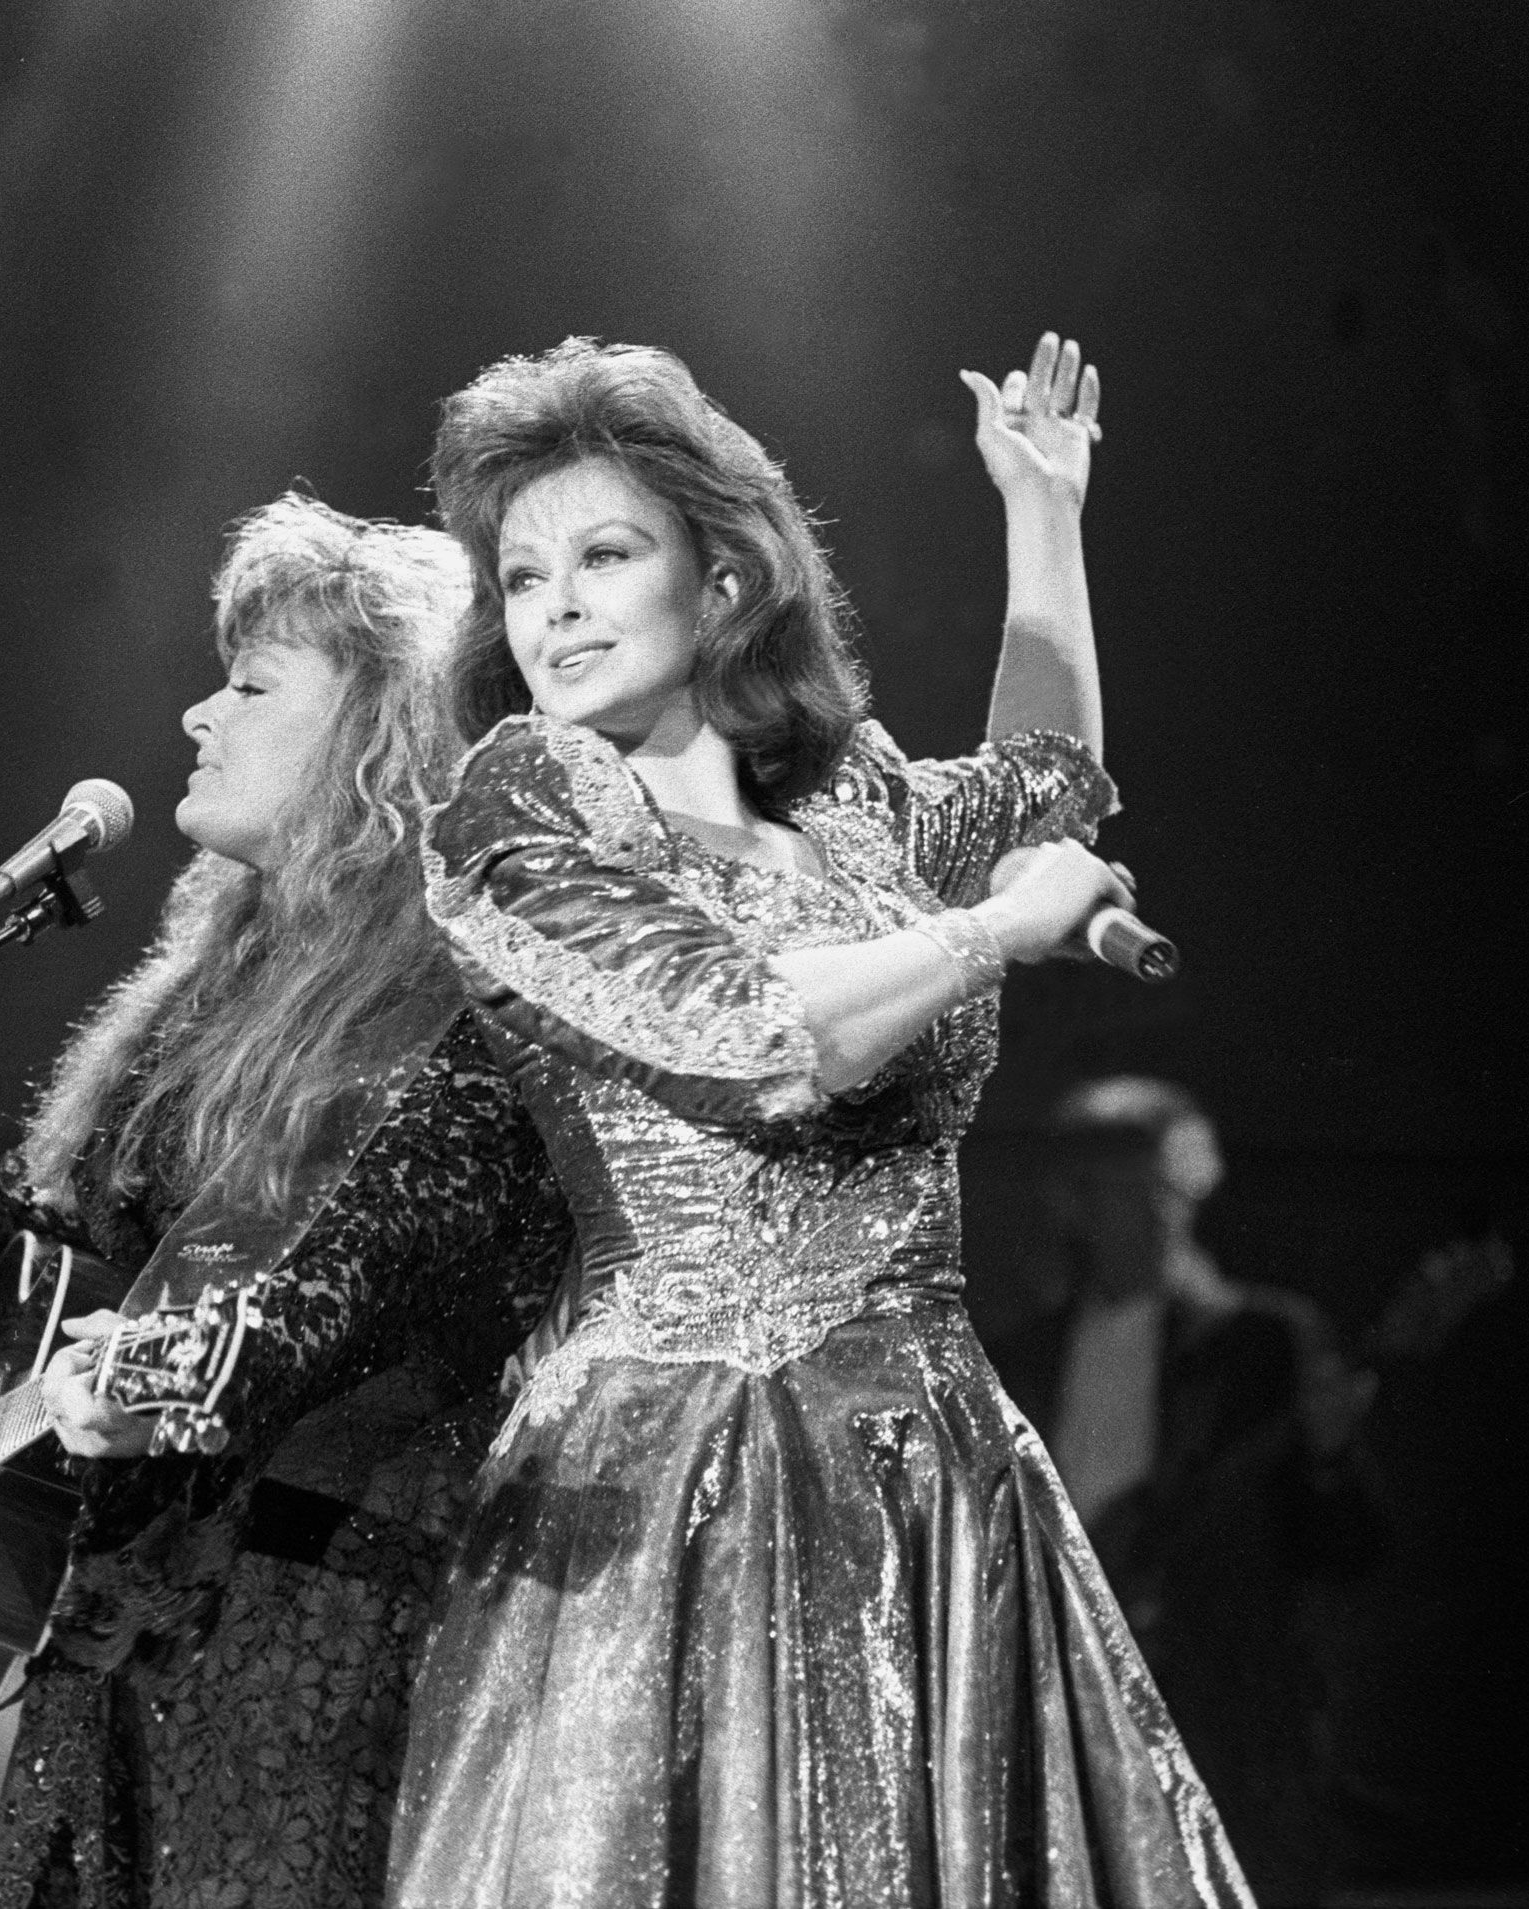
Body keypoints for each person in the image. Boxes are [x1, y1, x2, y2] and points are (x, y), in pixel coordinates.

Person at [389, 336, 1251, 1904]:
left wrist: (1042, 513)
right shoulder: (522, 805)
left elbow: (1047, 790)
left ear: (723, 586)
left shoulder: (849, 801)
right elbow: (754, 1032)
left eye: (605, 555)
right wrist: (989, 935)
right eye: (523, 579)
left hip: (933, 1470)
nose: (559, 607)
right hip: (681, 1481)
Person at [0, 493, 573, 1908]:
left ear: (379, 732)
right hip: (113, 1656)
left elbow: (353, 1285)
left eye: (253, 686)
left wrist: (168, 1371)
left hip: (320, 1664)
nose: (200, 717)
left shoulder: (470, 997)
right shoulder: (207, 995)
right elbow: (28, 1203)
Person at [990, 1077, 1494, 1901]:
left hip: (1225, 1728)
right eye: (1131, 1193)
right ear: (1072, 1204)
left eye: (1173, 1191)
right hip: (1066, 1717)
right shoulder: (1024, 1355)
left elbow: (1347, 1546)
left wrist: (1327, 1458)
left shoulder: (1262, 1343)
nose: (1159, 1215)